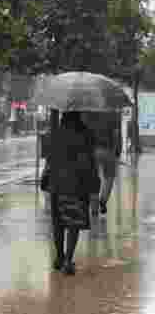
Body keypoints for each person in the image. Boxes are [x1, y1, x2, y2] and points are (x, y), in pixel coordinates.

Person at [48, 111, 99, 275]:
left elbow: (49, 158)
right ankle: (68, 261)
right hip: (76, 185)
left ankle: (59, 257)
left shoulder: (55, 133)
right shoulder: (85, 134)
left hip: (56, 185)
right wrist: (94, 190)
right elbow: (89, 164)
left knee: (58, 223)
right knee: (73, 223)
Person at [87, 111, 120, 215]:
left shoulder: (89, 112)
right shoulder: (113, 113)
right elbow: (116, 133)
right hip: (108, 149)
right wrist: (116, 149)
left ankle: (94, 208)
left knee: (93, 178)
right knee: (109, 177)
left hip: (92, 150)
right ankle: (103, 200)